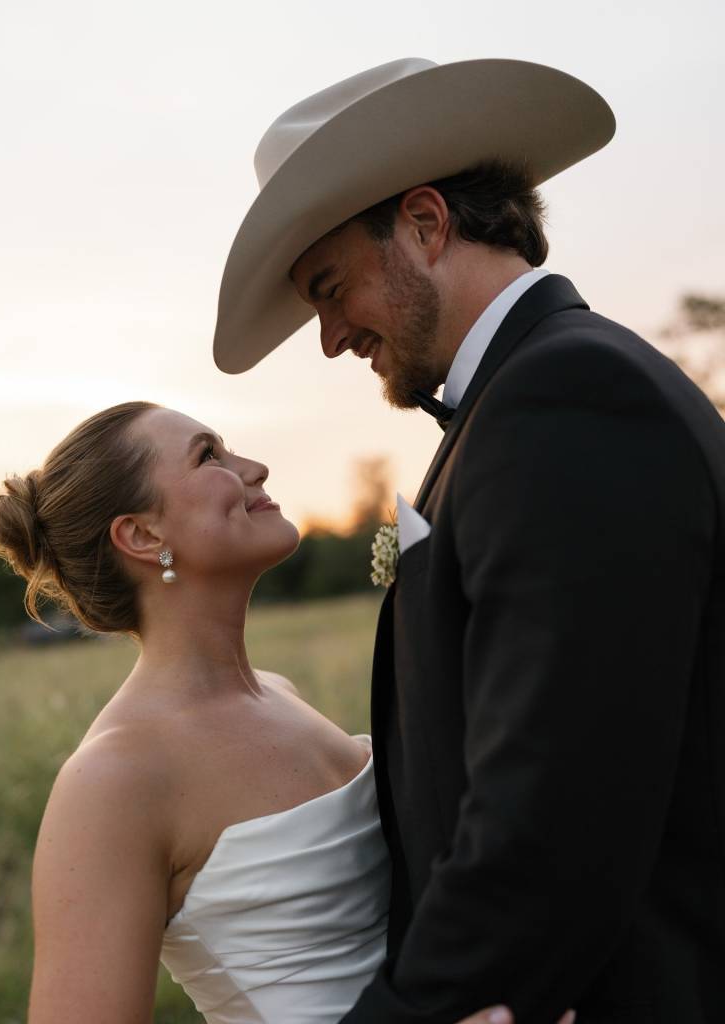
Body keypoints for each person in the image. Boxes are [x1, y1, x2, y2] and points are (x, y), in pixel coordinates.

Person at [213, 58, 725, 1022]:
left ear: (424, 223)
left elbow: (553, 817)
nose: (327, 338)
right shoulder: (529, 402)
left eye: (330, 286)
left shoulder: (571, 400)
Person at [0, 401, 560, 1024]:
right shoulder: (113, 779)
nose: (255, 468)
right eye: (209, 456)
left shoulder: (283, 694)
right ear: (142, 536)